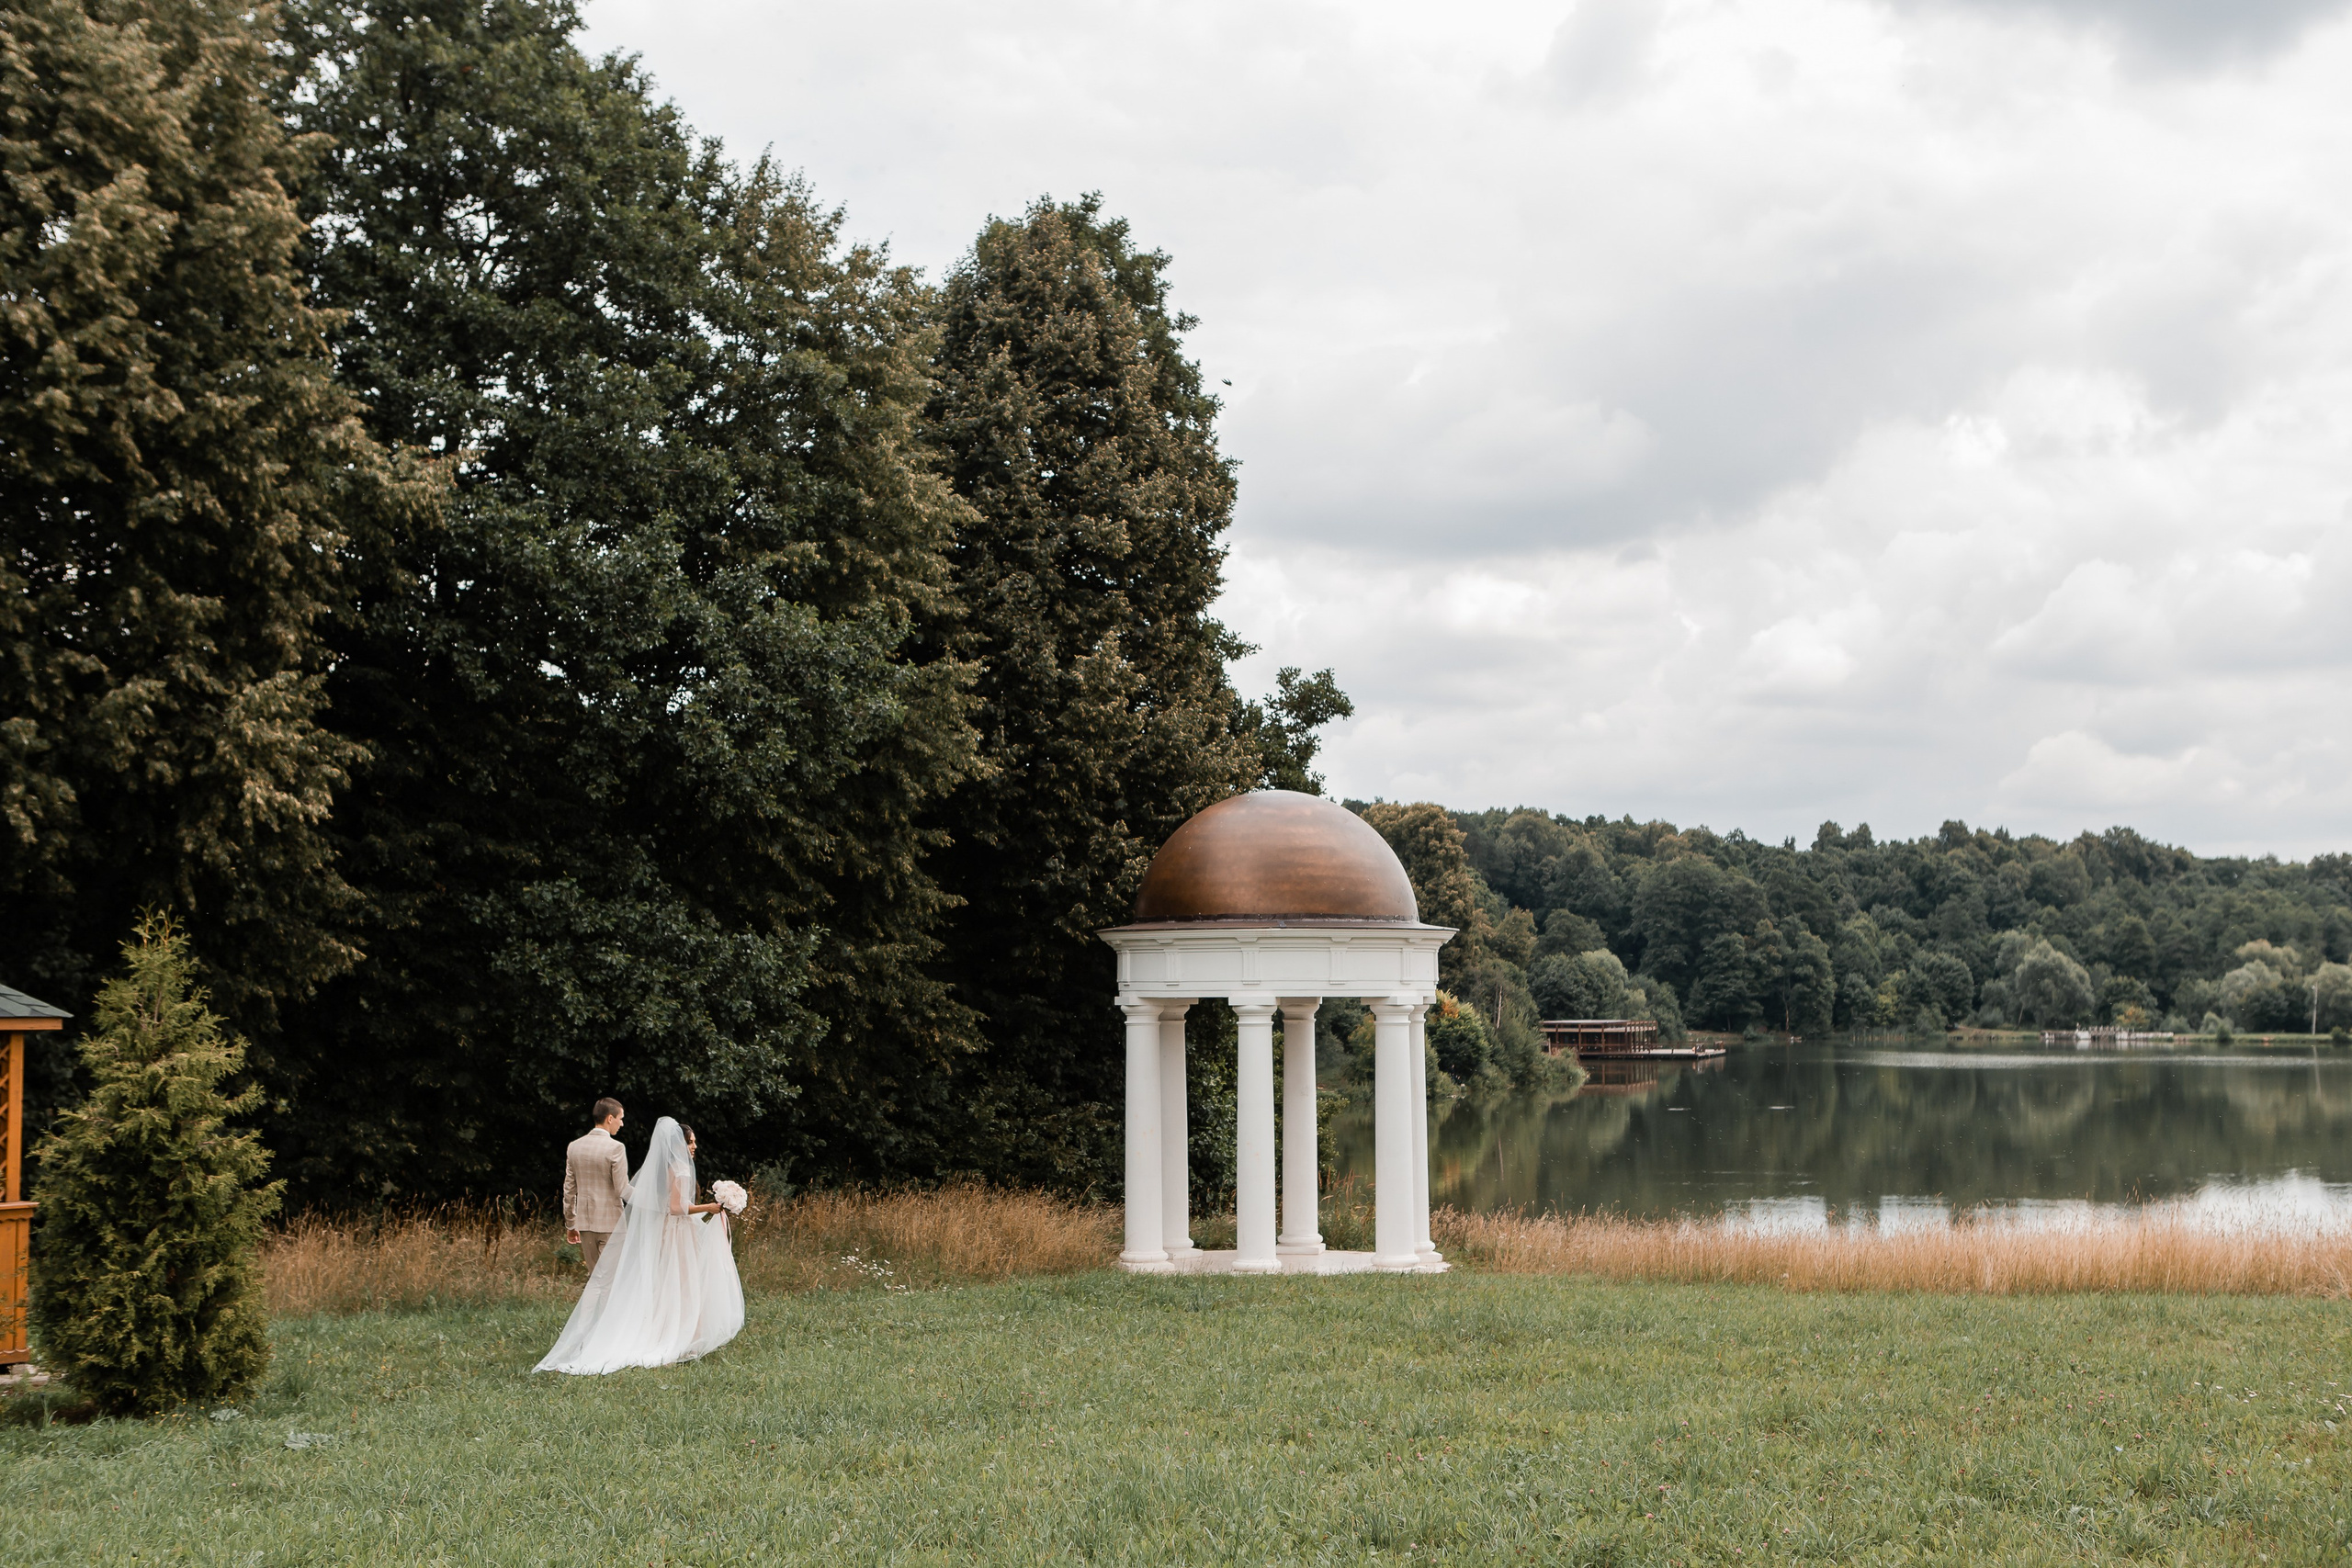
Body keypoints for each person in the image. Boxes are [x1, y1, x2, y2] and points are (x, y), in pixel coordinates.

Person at [536, 1116, 745, 1375]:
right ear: (680, 1144)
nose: (694, 1147)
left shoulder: (666, 1168)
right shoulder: (679, 1169)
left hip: (668, 1231)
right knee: (682, 1284)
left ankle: (678, 1332)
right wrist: (710, 1207)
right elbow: (676, 1207)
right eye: (691, 1143)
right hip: (678, 1234)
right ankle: (682, 1336)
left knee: (669, 1283)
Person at [562, 1098, 629, 1272]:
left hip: (585, 1224)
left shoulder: (574, 1147)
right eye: (620, 1119)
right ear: (609, 1118)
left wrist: (571, 1224)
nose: (621, 1124)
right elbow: (623, 1190)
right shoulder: (616, 1148)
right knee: (612, 1283)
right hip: (612, 1224)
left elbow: (569, 1190)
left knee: (595, 1281)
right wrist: (652, 1199)